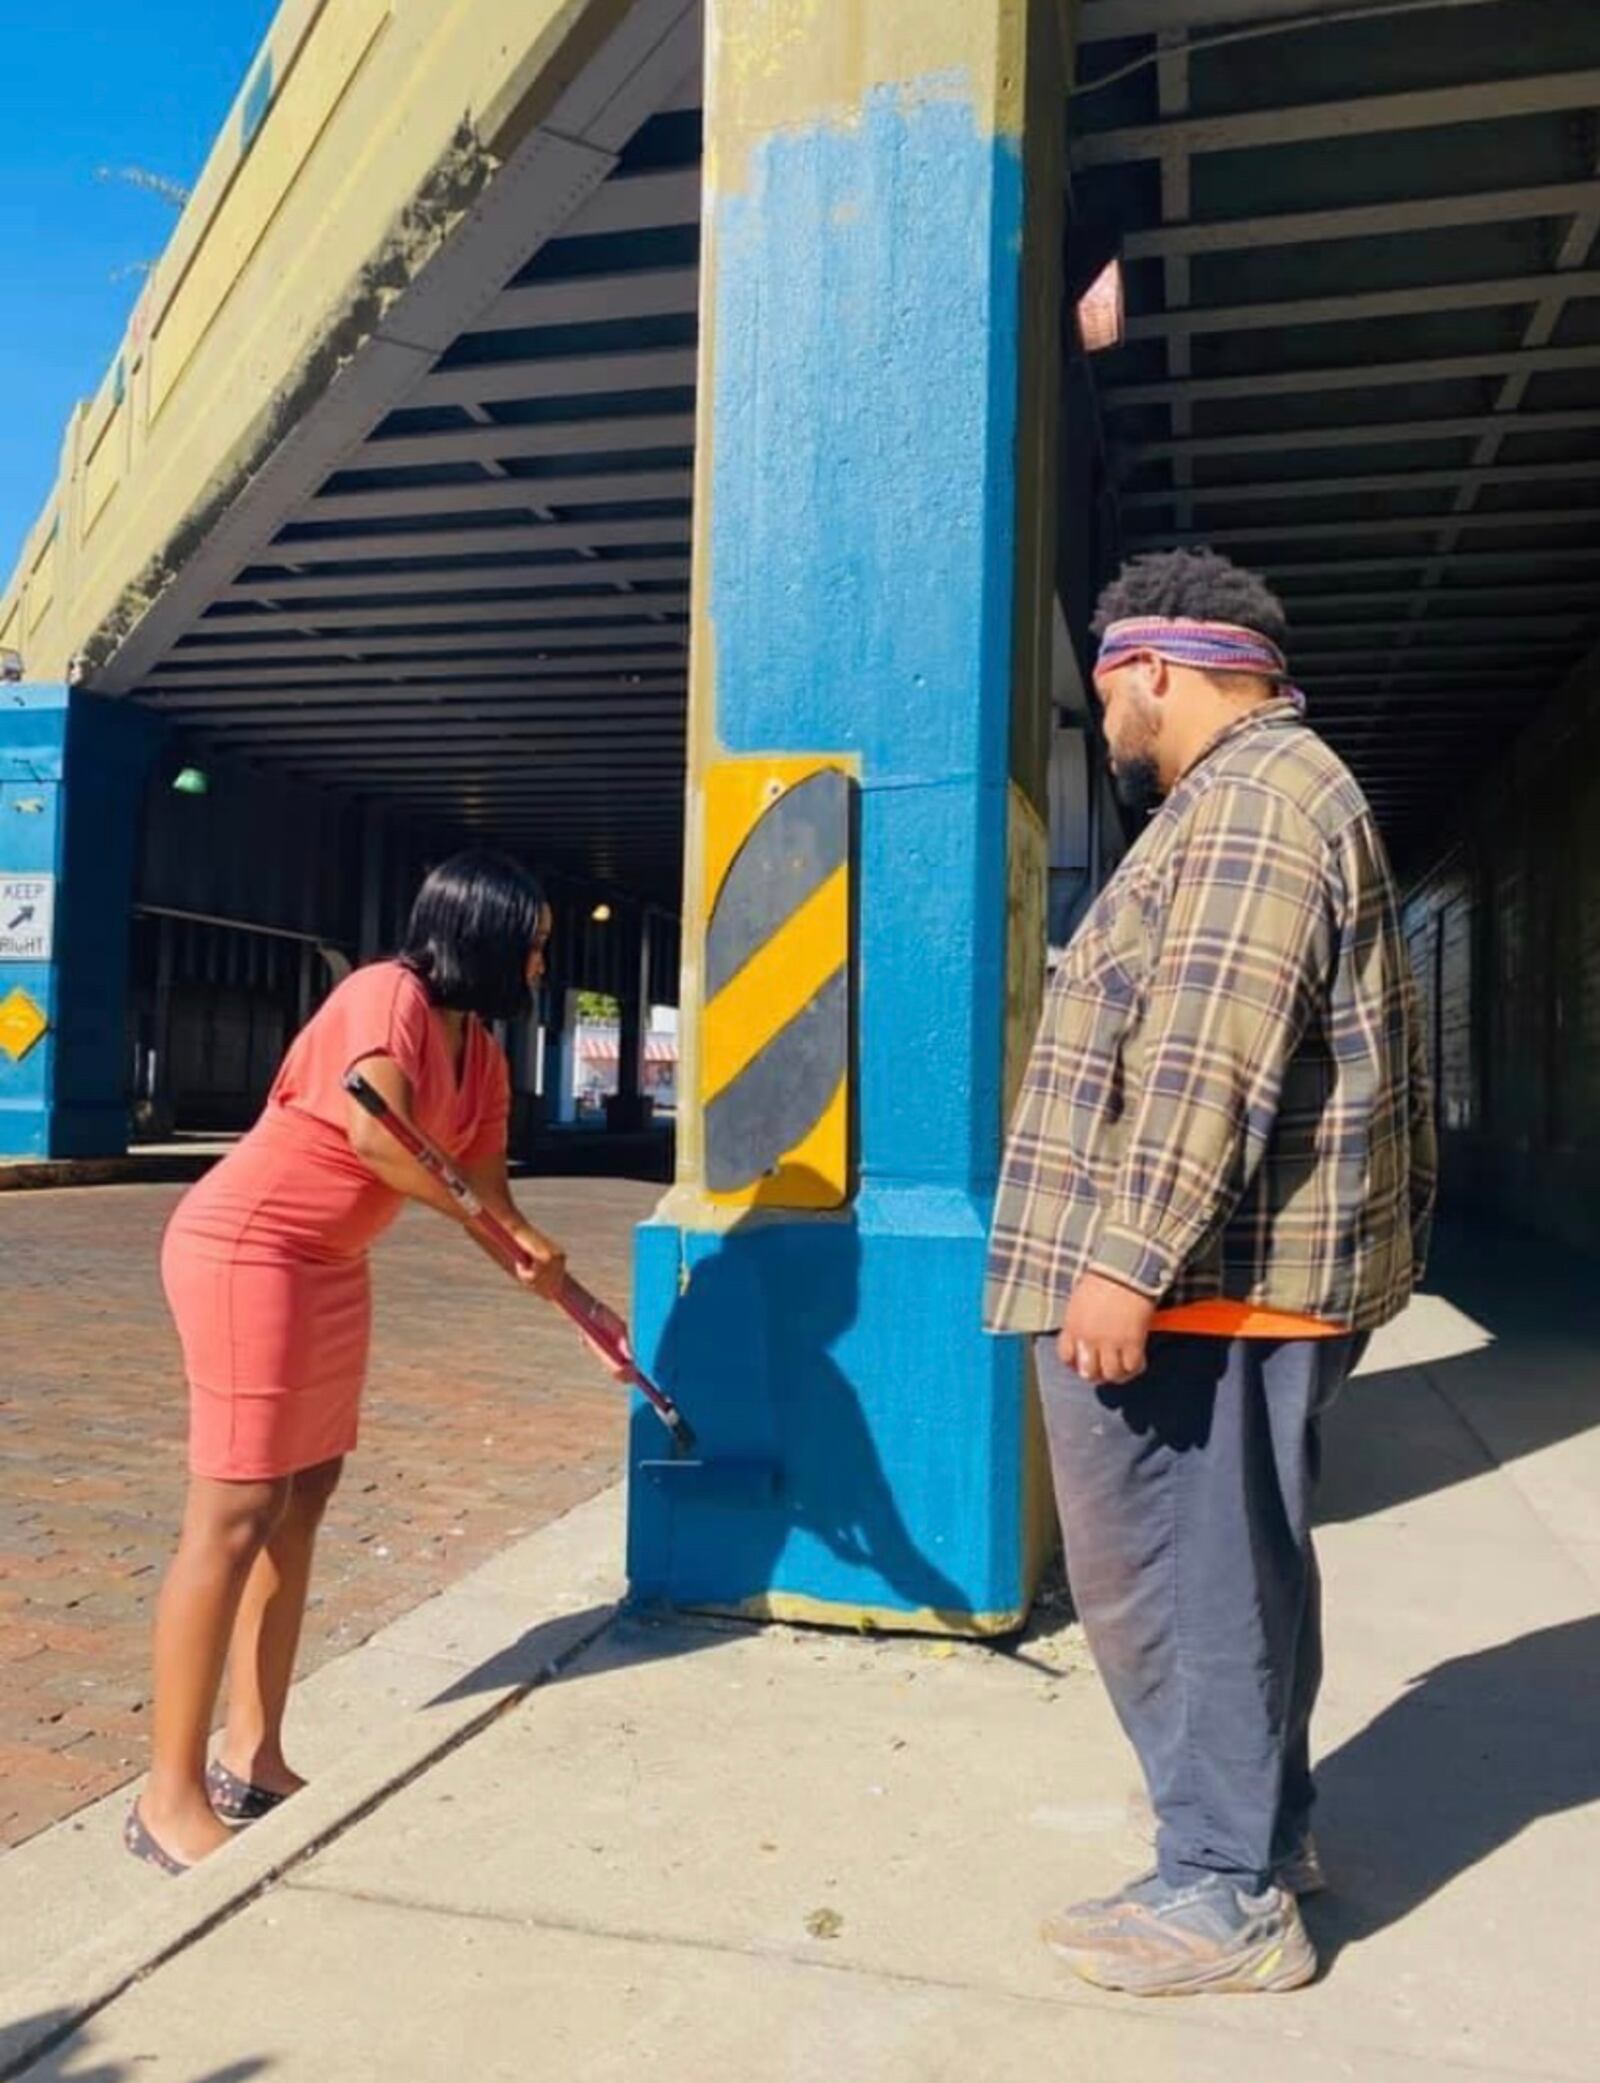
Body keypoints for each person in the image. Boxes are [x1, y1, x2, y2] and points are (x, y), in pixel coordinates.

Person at [986, 548, 1436, 1996]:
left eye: (1108, 686)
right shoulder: (1255, 798)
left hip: (1204, 1283)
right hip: (1220, 1274)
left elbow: (1206, 1055)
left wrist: (1122, 1261)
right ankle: (1254, 1838)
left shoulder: (1250, 803)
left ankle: (1223, 1892)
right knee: (1232, 1574)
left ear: (1153, 671)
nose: (1104, 716)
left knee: (1181, 1582)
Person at [128, 851, 574, 1873]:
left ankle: (253, 1754)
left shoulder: (488, 1055)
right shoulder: (388, 995)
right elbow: (380, 1138)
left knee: (305, 1497)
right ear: (485, 936)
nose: (544, 961)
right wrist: (497, 1223)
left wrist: (529, 1258)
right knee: (234, 1512)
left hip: (329, 1265)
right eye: (534, 942)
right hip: (249, 1249)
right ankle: (166, 1798)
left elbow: (487, 1189)